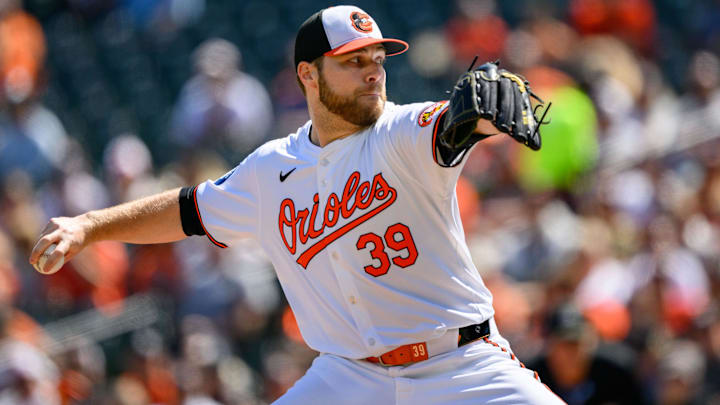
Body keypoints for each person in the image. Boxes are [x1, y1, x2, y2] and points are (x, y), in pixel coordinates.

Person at [30, 5, 560, 404]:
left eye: (378, 59)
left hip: (461, 365)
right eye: (354, 61)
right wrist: (91, 225)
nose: (374, 71)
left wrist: (482, 117)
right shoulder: (269, 169)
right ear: (309, 74)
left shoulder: (398, 131)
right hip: (350, 376)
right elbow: (188, 210)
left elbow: (450, 125)